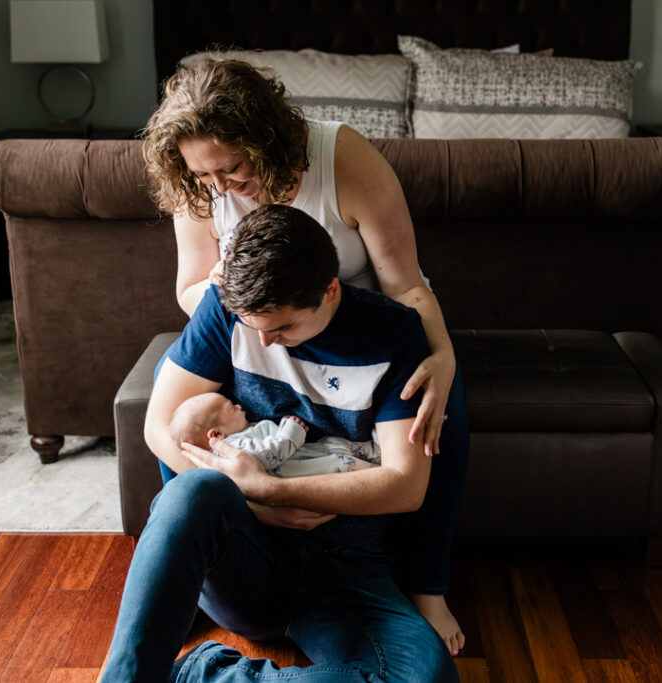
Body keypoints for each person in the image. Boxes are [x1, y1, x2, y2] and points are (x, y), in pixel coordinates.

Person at [142, 57, 470, 654]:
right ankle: (195, 566)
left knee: (437, 407)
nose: (218, 187)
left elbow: (405, 284)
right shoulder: (202, 184)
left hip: (363, 327)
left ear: (265, 137)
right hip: (254, 319)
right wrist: (235, 310)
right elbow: (192, 287)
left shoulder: (342, 159)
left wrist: (441, 352)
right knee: (191, 418)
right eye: (203, 176)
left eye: (232, 168)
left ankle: (427, 584)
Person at [102, 205, 458, 681]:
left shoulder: (393, 334)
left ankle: (199, 675)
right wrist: (257, 507)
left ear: (329, 291)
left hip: (348, 571)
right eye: (254, 328)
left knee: (426, 677)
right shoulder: (224, 310)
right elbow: (160, 428)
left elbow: (404, 485)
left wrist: (275, 491)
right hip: (245, 562)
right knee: (193, 491)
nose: (266, 343)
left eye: (283, 328)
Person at [169, 391, 381, 477]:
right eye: (231, 408)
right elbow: (264, 457)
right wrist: (291, 433)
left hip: (310, 453)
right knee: (348, 464)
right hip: (313, 468)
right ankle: (380, 468)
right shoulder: (231, 451)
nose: (239, 405)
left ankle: (379, 450)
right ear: (217, 434)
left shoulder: (238, 436)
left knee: (337, 444)